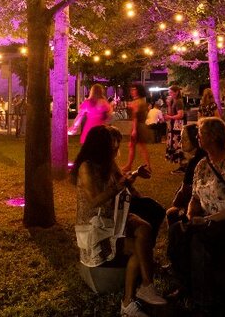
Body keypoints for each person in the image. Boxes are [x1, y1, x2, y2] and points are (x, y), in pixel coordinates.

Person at [168, 117, 225, 314]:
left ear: (214, 137)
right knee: (177, 232)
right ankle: (185, 284)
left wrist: (206, 221)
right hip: (208, 217)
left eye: (202, 133)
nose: (198, 137)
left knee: (200, 239)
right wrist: (192, 214)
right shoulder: (202, 164)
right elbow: (194, 196)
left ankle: (204, 299)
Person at [73, 126, 166, 317]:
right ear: (100, 145)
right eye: (111, 144)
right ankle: (128, 301)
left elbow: (121, 180)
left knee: (144, 228)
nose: (115, 147)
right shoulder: (86, 167)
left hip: (113, 216)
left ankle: (146, 286)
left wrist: (133, 176)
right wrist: (119, 186)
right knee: (139, 247)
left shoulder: (108, 162)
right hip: (95, 225)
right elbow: (94, 200)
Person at [166, 123, 207, 226]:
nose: (180, 142)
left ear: (194, 140)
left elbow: (185, 189)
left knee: (171, 213)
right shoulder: (204, 155)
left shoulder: (196, 162)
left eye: (184, 139)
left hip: (200, 207)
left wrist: (177, 203)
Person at [123, 84, 152, 173]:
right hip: (141, 125)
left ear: (138, 90)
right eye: (131, 89)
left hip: (137, 126)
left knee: (136, 146)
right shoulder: (142, 101)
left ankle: (131, 166)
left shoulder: (137, 102)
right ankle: (145, 165)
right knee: (136, 146)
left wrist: (134, 130)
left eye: (134, 89)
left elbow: (135, 117)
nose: (132, 91)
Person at [164, 85, 186, 169]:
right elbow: (171, 114)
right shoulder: (174, 101)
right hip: (174, 126)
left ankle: (182, 165)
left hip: (178, 126)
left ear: (177, 92)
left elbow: (180, 115)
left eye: (171, 92)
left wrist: (169, 118)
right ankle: (181, 164)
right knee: (174, 144)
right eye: (169, 92)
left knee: (178, 144)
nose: (170, 94)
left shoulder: (179, 101)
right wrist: (169, 105)